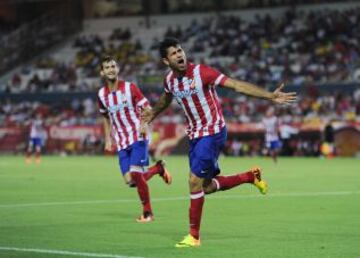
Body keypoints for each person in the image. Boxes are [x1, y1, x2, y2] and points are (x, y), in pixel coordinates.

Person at [141, 38, 297, 247]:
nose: (180, 55)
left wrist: (269, 96)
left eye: (180, 50)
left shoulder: (202, 72)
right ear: (165, 61)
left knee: (193, 181)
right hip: (195, 135)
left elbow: (236, 86)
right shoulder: (169, 80)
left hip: (213, 132)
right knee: (205, 187)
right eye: (174, 53)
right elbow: (167, 99)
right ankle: (250, 176)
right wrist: (153, 112)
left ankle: (194, 236)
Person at [97, 56, 172, 223]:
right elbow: (105, 117)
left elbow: (147, 108)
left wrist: (144, 124)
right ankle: (158, 168)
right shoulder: (102, 94)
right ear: (102, 72)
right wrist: (108, 139)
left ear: (117, 69)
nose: (111, 69)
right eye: (107, 67)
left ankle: (148, 213)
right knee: (130, 181)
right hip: (121, 141)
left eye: (113, 66)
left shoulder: (130, 88)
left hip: (138, 136)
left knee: (137, 175)